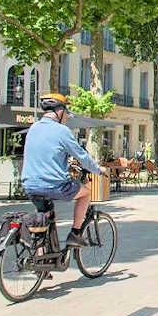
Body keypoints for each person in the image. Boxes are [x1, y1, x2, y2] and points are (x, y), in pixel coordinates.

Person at [21, 93, 103, 248]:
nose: (67, 117)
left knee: (45, 217)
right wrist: (99, 170)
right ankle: (75, 234)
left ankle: (40, 256)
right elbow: (82, 156)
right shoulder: (62, 131)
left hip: (29, 185)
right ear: (59, 111)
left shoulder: (33, 128)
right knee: (86, 193)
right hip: (53, 185)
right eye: (66, 113)